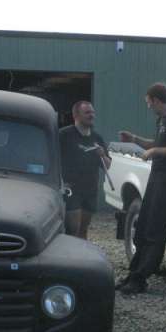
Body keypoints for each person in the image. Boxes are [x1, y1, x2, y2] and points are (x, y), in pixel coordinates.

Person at [115, 82, 166, 294]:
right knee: (143, 227)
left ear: (157, 100)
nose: (149, 107)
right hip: (156, 179)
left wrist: (155, 151)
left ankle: (140, 279)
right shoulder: (162, 120)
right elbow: (157, 143)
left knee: (155, 232)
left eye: (149, 103)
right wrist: (135, 139)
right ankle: (133, 274)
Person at [59, 101, 111, 240]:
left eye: (92, 112)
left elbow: (108, 165)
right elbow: (51, 156)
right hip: (71, 189)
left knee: (83, 230)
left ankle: (81, 259)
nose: (91, 115)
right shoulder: (64, 135)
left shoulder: (97, 138)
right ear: (76, 115)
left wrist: (102, 155)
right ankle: (68, 258)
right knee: (73, 228)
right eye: (87, 112)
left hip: (90, 190)